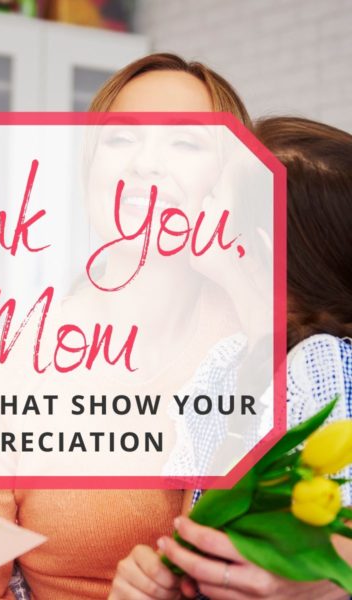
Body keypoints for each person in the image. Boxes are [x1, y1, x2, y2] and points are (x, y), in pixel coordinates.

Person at [0, 53, 253, 600]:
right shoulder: (11, 350)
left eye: (185, 142)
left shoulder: (272, 338)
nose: (144, 164)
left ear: (233, 179)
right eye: (120, 139)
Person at [109, 116, 352, 599]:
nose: (195, 206)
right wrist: (157, 577)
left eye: (215, 197)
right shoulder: (223, 367)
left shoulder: (326, 371)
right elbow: (195, 538)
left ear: (256, 246)